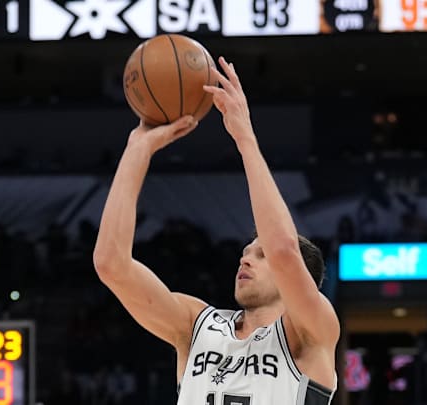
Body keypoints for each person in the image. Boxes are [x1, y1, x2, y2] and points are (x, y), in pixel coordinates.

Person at [93, 56, 340, 405]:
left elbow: (284, 249)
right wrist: (138, 149)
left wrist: (245, 138)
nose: (246, 258)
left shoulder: (312, 331)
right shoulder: (196, 327)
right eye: (246, 250)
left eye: (260, 253)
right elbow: (110, 264)